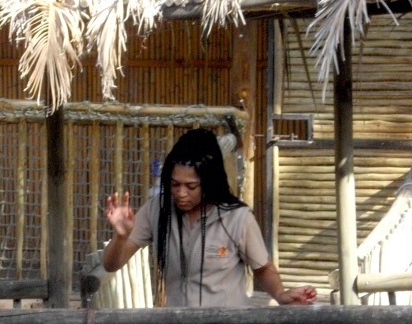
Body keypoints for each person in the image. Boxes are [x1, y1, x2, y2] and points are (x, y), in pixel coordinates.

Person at [100, 128, 317, 308]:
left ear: (209, 182)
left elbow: (263, 268)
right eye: (175, 185)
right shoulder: (157, 209)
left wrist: (280, 294)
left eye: (191, 186)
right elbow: (111, 265)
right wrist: (121, 237)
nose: (181, 193)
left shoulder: (238, 217)